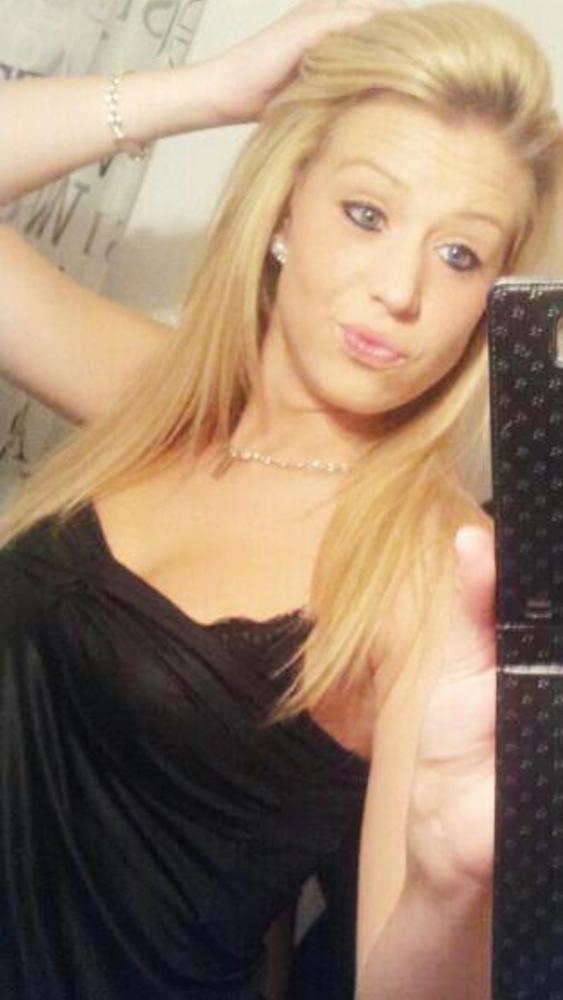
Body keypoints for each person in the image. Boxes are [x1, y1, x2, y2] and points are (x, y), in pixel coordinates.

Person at [0, 1, 561, 997]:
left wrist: (448, 892)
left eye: (458, 255)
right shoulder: (161, 397)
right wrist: (209, 89)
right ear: (287, 211)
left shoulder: (436, 565)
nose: (399, 290)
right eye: (365, 213)